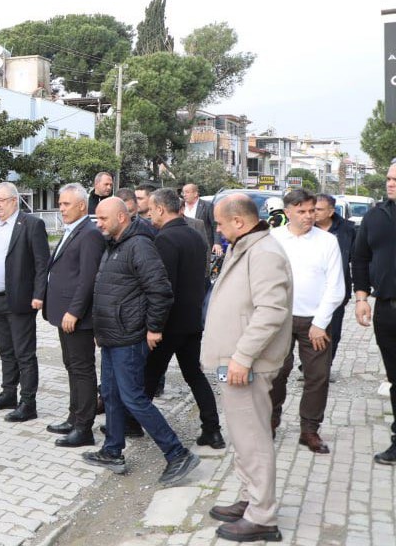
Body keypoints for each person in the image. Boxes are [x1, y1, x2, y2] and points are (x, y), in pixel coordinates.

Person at [82, 197, 200, 486]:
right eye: (96, 219)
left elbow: (160, 290)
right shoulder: (115, 245)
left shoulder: (139, 245)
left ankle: (177, 453)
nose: (98, 224)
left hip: (129, 337)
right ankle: (112, 451)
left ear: (122, 218)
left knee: (133, 398)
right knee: (110, 394)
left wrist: (154, 328)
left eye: (103, 219)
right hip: (112, 336)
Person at [202, 194, 293, 542]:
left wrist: (242, 357)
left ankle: (262, 515)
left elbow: (271, 311)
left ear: (239, 222)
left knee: (253, 437)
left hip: (245, 364)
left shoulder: (265, 253)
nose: (220, 230)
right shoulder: (246, 246)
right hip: (234, 362)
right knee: (242, 435)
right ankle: (248, 498)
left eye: (222, 224)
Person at [144, 188, 225, 449]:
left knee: (148, 377)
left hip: (170, 324)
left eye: (150, 209)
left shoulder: (165, 239)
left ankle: (130, 423)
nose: (148, 214)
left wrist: (154, 325)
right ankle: (212, 430)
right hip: (192, 321)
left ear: (160, 209)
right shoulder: (194, 235)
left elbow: (163, 286)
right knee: (195, 376)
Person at [268, 188, 344, 454]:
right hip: (280, 318)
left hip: (316, 321)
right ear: (287, 212)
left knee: (318, 377)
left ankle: (309, 430)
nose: (308, 216)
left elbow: (336, 287)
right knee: (276, 372)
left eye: (312, 210)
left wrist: (320, 323)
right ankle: (271, 420)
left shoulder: (327, 242)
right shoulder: (273, 238)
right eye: (301, 211)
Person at [0, 182, 51, 423]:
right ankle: (8, 393)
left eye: (1, 200)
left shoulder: (31, 224)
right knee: (5, 351)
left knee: (24, 354)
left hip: (19, 300)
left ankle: (28, 403)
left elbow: (42, 263)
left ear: (14, 200)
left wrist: (39, 294)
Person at [43, 183, 105, 447]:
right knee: (71, 366)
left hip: (76, 317)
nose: (61, 208)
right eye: (60, 203)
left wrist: (74, 311)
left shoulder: (89, 234)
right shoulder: (72, 231)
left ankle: (84, 428)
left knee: (82, 369)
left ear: (82, 206)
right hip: (63, 314)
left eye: (66, 204)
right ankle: (74, 417)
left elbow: (88, 279)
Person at [348, 159, 396, 466]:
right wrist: (361, 298)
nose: (391, 183)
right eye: (390, 178)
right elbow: (360, 258)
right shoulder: (375, 216)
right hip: (386, 311)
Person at [314, 194, 355, 369]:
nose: (314, 213)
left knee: (334, 331)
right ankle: (311, 364)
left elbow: (357, 258)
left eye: (319, 209)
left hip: (337, 289)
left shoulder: (347, 230)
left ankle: (324, 365)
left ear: (331, 211)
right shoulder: (306, 228)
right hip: (310, 290)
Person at [182, 183, 220, 254]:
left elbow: (215, 225)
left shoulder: (207, 206)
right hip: (185, 245)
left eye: (187, 192)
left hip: (203, 245)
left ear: (195, 194)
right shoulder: (181, 207)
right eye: (183, 192)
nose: (184, 195)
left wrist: (217, 243)